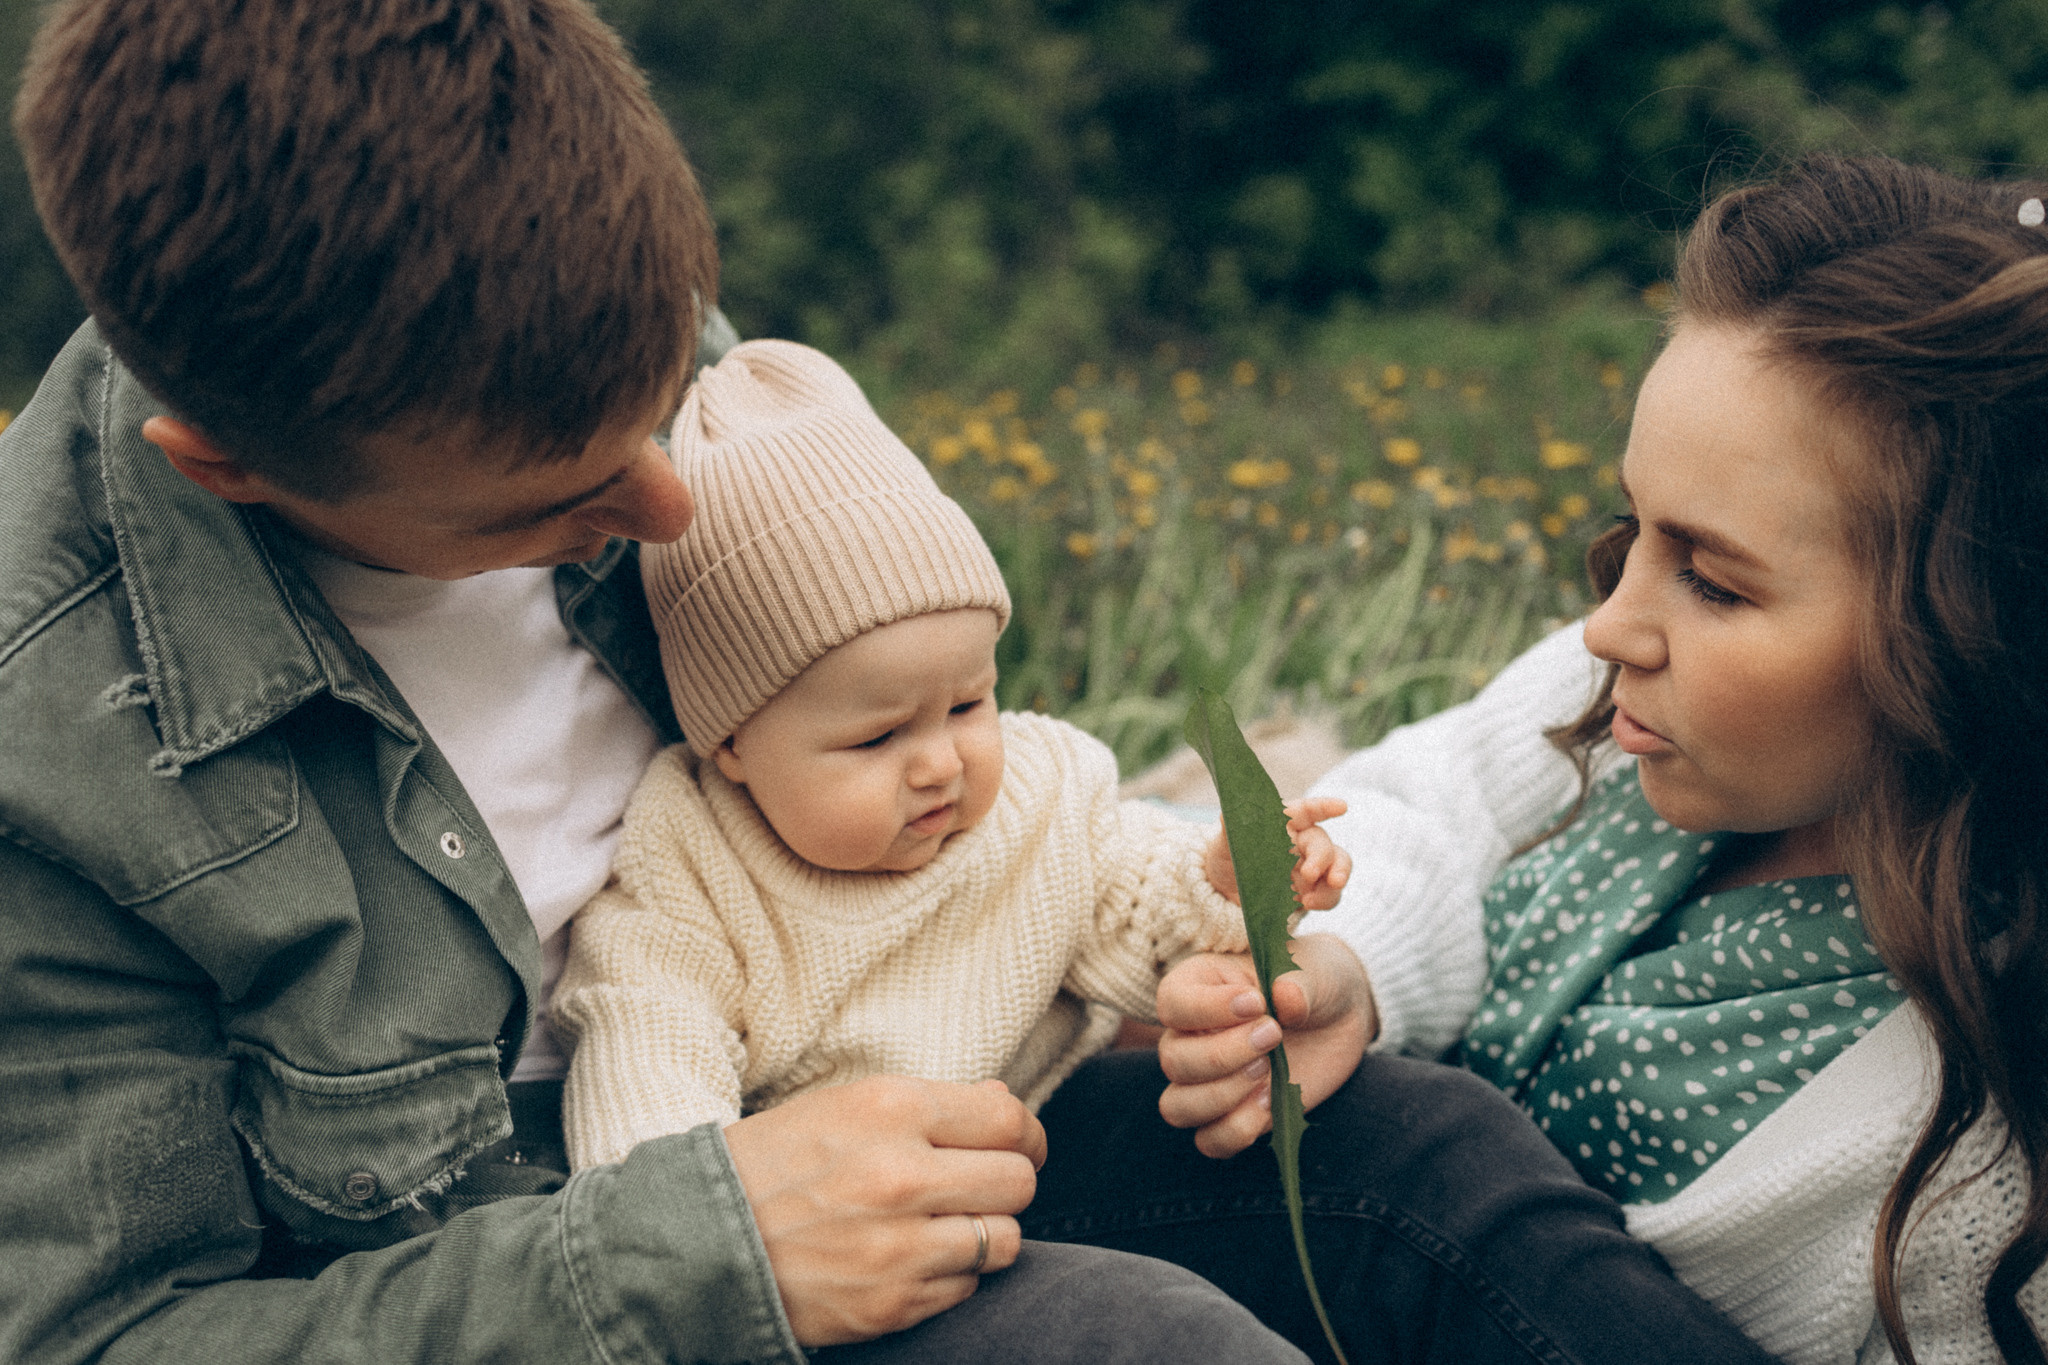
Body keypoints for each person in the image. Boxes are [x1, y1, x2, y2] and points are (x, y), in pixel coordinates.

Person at [0, 2, 1311, 1361]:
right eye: (562, 497)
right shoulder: (49, 747)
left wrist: (1216, 966)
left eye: (664, 395)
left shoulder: (584, 296)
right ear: (226, 464)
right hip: (534, 1291)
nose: (672, 505)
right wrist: (685, 1256)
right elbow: (100, 1336)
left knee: (1404, 1159)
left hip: (870, 1091)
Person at [1122, 155, 2048, 1364]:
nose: (1608, 624)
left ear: (1970, 640)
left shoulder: (1973, 1113)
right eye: (1631, 530)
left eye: (1712, 579)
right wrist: (1354, 971)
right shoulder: (1614, 690)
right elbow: (1420, 802)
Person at [549, 338, 1348, 1168]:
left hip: (1062, 1116)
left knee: (1408, 1121)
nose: (940, 763)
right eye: (878, 735)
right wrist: (719, 1221)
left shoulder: (1039, 792)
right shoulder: (689, 871)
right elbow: (648, 1052)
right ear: (734, 742)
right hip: (860, 1213)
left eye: (968, 703)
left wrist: (1228, 876)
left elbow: (1141, 901)